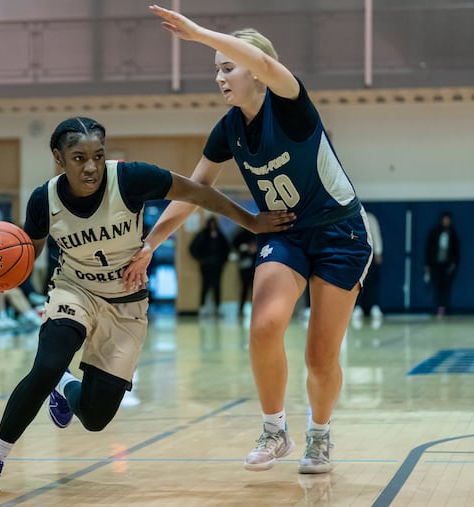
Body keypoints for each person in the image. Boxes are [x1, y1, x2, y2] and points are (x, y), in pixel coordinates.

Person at [0, 116, 293, 497]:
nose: (90, 166)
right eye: (78, 157)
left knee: (94, 418)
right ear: (59, 157)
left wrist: (252, 222)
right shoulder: (44, 199)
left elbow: (198, 192)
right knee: (47, 364)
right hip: (74, 290)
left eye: (97, 155)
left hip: (126, 301)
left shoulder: (133, 178)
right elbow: (30, 253)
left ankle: (67, 387)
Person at [124, 6, 373, 475]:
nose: (219, 77)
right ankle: (275, 429)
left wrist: (199, 34)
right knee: (263, 327)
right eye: (215, 70)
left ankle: (319, 435)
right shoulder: (229, 129)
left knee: (320, 355)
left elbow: (264, 66)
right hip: (286, 232)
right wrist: (152, 242)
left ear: (255, 68)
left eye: (226, 67)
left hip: (341, 233)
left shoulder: (291, 104)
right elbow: (194, 190)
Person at [189, 215, 230, 317]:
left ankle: (218, 308)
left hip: (217, 265)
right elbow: (193, 248)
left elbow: (227, 249)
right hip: (206, 265)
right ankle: (203, 308)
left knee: (217, 286)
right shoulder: (202, 234)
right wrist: (201, 259)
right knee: (205, 286)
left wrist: (223, 261)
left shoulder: (220, 235)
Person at [424, 211, 459, 317]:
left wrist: (454, 263)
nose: (446, 222)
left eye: (447, 220)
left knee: (446, 287)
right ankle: (437, 308)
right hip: (436, 265)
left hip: (447, 265)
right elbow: (428, 249)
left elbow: (456, 251)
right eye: (444, 219)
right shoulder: (434, 233)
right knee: (436, 286)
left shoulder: (453, 234)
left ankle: (445, 308)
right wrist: (427, 264)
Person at [353, 211, 383, 322]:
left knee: (372, 283)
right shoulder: (350, 216)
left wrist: (378, 252)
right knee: (356, 284)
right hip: (355, 255)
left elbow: (376, 234)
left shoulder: (370, 217)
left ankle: (374, 306)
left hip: (370, 255)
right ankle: (357, 307)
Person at [232, 226, 257, 320]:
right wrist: (246, 247)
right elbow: (235, 244)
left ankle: (255, 309)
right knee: (244, 288)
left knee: (255, 289)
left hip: (255, 264)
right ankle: (241, 310)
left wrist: (255, 248)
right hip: (244, 265)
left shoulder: (257, 233)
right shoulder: (241, 234)